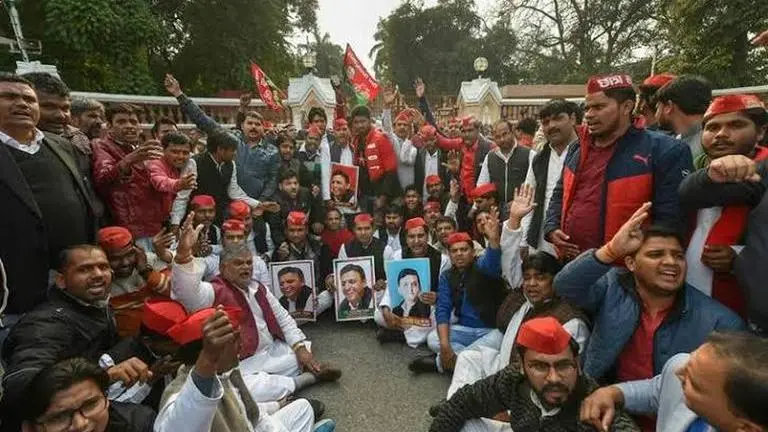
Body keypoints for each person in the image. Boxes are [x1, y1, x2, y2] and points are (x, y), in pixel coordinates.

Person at [554, 203, 745, 390]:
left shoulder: (721, 324)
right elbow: (565, 287)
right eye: (656, 254)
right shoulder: (613, 287)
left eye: (678, 256)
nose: (671, 262)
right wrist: (611, 250)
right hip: (602, 408)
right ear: (631, 263)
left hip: (671, 417)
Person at [171, 214, 341, 403]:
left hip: (271, 354)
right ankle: (306, 380)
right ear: (224, 267)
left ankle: (280, 390)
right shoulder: (214, 290)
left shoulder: (258, 288)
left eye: (249, 263)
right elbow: (186, 294)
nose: (246, 267)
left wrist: (300, 348)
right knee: (242, 388)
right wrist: (183, 255)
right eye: (238, 263)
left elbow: (283, 319)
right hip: (242, 364)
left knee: (295, 356)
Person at [447, 186, 590, 399]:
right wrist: (513, 220)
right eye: (528, 277)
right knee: (469, 358)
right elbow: (510, 260)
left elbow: (560, 376)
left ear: (555, 280)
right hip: (503, 366)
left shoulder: (569, 321)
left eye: (540, 278)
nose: (531, 284)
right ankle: (455, 406)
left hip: (527, 389)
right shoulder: (522, 297)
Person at [1, 245, 153, 430]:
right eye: (84, 269)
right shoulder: (46, 324)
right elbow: (20, 384)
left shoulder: (93, 306)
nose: (98, 274)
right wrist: (100, 378)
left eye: (103, 267)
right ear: (61, 280)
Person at [544, 73, 693, 261]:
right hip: (573, 264)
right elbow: (560, 192)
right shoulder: (577, 148)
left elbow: (671, 221)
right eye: (587, 107)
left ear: (627, 107)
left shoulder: (664, 150)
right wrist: (552, 227)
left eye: (599, 107)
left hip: (626, 272)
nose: (589, 114)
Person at [0, 73, 98, 332]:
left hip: (71, 276)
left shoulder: (61, 146)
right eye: (9, 97)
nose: (21, 104)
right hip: (18, 285)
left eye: (28, 99)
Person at [428, 318, 639, 432]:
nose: (554, 378)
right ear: (522, 366)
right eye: (540, 367)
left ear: (577, 365)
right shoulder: (512, 379)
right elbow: (461, 403)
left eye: (564, 366)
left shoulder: (594, 403)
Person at [152, 303, 336, 432]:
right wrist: (207, 360)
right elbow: (178, 427)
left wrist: (277, 405)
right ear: (213, 349)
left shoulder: (227, 373)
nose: (242, 345)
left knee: (302, 408)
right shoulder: (180, 394)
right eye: (235, 340)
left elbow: (251, 416)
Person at [678, 94, 767, 319]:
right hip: (687, 299)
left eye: (736, 125)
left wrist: (740, 258)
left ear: (760, 132)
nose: (721, 134)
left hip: (743, 312)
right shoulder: (688, 166)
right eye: (712, 127)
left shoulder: (764, 173)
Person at [581, 331, 768, 432]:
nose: (679, 374)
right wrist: (612, 393)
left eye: (695, 385)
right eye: (689, 364)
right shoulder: (684, 368)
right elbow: (659, 389)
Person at [413, 216, 507, 374]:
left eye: (464, 250)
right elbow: (443, 309)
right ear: (449, 255)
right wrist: (444, 346)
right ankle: (474, 361)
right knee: (433, 339)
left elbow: (492, 261)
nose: (459, 254)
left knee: (500, 339)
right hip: (463, 330)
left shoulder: (483, 267)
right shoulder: (447, 276)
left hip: (489, 331)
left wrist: (493, 241)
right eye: (454, 251)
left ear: (472, 251)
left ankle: (442, 363)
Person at [165, 74, 279, 202]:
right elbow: (202, 119)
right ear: (242, 126)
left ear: (263, 128)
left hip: (256, 204)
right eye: (250, 123)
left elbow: (273, 180)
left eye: (258, 124)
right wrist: (179, 94)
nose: (253, 127)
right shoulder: (231, 139)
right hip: (226, 202)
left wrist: (261, 203)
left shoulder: (272, 151)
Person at [92, 103, 165, 250]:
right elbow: (102, 180)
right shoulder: (101, 146)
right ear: (110, 126)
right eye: (121, 121)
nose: (129, 126)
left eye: (133, 122)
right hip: (128, 229)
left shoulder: (138, 148)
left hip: (154, 226)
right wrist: (130, 159)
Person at [18, 358, 156, 432]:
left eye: (90, 405)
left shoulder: (141, 423)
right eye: (59, 417)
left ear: (107, 399)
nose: (80, 424)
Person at [376, 217, 450, 345]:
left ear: (427, 236)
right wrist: (387, 309)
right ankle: (410, 331)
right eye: (412, 237)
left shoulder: (442, 260)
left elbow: (447, 291)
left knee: (441, 318)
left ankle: (399, 334)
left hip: (430, 307)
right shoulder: (398, 255)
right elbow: (391, 286)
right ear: (406, 239)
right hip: (404, 307)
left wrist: (437, 296)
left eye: (420, 236)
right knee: (379, 315)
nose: (416, 241)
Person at [170, 128, 262, 228]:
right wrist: (175, 223)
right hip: (195, 219)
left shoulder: (231, 165)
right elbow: (183, 197)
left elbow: (233, 191)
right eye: (232, 150)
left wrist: (257, 204)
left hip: (217, 217)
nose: (235, 153)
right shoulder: (194, 163)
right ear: (220, 150)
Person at [521, 99, 579, 256]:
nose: (551, 126)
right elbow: (528, 199)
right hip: (543, 240)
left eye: (558, 118)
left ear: (572, 119)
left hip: (576, 240)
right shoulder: (539, 159)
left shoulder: (587, 153)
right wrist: (524, 241)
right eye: (546, 122)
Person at [97, 226, 173, 337]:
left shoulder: (150, 261)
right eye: (115, 259)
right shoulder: (98, 280)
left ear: (137, 250)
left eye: (129, 254)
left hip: (164, 333)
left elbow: (175, 292)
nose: (125, 262)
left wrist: (146, 272)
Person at [272, 212, 334, 316]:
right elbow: (275, 281)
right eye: (292, 230)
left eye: (300, 230)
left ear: (306, 230)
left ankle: (297, 318)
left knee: (328, 297)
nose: (296, 234)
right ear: (286, 232)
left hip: (315, 294)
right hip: (290, 297)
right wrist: (280, 258)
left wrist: (329, 279)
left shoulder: (320, 245)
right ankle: (301, 317)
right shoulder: (280, 250)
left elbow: (328, 271)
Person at [349, 104, 401, 209]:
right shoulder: (354, 141)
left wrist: (383, 197)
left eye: (363, 121)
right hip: (364, 194)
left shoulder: (380, 139)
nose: (360, 125)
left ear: (369, 121)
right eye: (356, 122)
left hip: (381, 194)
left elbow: (391, 170)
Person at [653, 75, 713, 161]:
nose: (656, 115)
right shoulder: (714, 139)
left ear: (669, 106)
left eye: (657, 107)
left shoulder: (708, 143)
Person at [338, 213, 394, 298]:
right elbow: (340, 273)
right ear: (354, 230)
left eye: (367, 229)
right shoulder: (345, 248)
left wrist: (384, 282)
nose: (363, 233)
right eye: (359, 229)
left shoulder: (386, 249)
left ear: (373, 229)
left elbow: (391, 277)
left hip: (378, 293)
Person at [147, 131, 197, 226]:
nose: (181, 156)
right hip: (148, 225)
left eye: (185, 153)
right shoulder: (155, 163)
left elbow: (182, 198)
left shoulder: (183, 165)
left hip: (165, 221)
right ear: (163, 150)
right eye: (175, 152)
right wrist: (177, 184)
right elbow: (158, 181)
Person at [269, 168, 323, 245]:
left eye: (295, 183)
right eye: (288, 184)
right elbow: (275, 228)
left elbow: (315, 209)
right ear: (280, 186)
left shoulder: (305, 193)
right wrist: (282, 243)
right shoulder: (275, 202)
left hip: (305, 234)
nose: (293, 187)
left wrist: (317, 221)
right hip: (285, 237)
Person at [320, 118, 355, 203]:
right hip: (333, 196)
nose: (342, 133)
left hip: (351, 196)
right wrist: (327, 198)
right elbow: (325, 173)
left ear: (349, 131)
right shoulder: (328, 148)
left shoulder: (355, 148)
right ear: (334, 133)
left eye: (344, 129)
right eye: (338, 130)